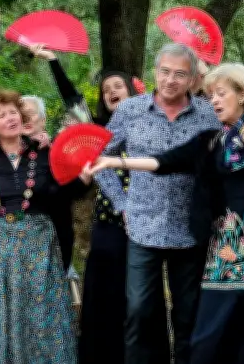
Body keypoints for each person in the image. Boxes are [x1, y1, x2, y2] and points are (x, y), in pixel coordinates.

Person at [90, 63, 244, 364]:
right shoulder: (211, 140)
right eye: (209, 95)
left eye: (220, 94)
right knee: (210, 335)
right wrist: (114, 163)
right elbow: (164, 161)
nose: (213, 101)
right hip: (225, 248)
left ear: (242, 95)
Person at [31, 43, 156, 363]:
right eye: (106, 90)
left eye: (119, 86)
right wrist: (55, 62)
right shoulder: (98, 132)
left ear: (133, 91)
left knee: (141, 299)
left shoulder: (157, 127)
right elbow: (73, 102)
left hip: (149, 226)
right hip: (109, 223)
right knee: (102, 294)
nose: (112, 92)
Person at [98, 42, 220, 364]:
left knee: (188, 313)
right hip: (142, 225)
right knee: (138, 310)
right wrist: (121, 203)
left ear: (193, 78)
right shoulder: (130, 110)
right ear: (155, 72)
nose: (170, 80)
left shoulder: (209, 114)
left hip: (190, 229)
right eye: (165, 72)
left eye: (180, 74)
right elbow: (101, 158)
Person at [0, 89, 90, 363]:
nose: (10, 118)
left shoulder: (43, 152)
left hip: (39, 240)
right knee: (4, 308)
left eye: (13, 112)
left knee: (42, 305)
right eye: (1, 115)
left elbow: (58, 191)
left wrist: (82, 179)